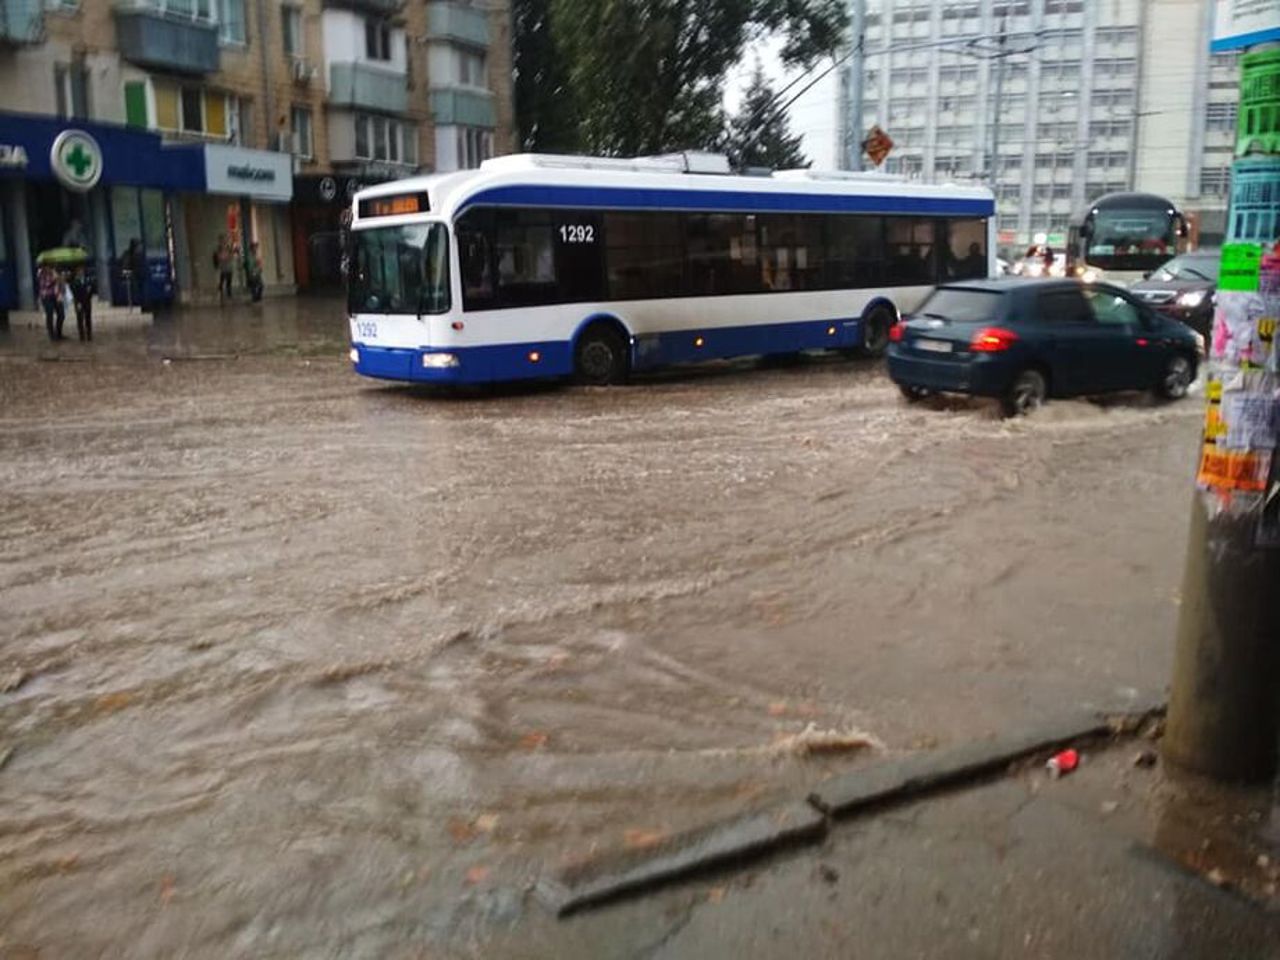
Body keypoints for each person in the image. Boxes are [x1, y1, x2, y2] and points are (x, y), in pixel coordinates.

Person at [37, 263, 65, 341]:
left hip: (56, 296)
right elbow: (46, 285)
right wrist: (55, 279)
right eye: (46, 266)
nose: (48, 268)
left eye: (50, 266)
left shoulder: (54, 273)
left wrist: (61, 280)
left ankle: (58, 333)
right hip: (46, 297)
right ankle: (51, 334)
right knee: (50, 314)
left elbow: (60, 286)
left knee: (61, 315)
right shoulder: (41, 274)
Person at [70, 264, 94, 341]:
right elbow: (74, 292)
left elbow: (92, 288)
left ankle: (89, 334)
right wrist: (77, 302)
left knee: (88, 318)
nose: (80, 272)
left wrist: (90, 291)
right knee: (80, 319)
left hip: (87, 301)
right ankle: (82, 335)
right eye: (79, 271)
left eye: (81, 271)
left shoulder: (88, 279)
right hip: (79, 301)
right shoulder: (74, 281)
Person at [214, 235, 234, 303]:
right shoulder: (218, 249)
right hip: (223, 269)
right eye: (222, 240)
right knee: (221, 282)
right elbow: (219, 257)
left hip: (229, 268)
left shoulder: (229, 248)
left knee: (229, 283)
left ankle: (229, 296)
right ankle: (221, 295)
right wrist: (224, 257)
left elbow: (231, 256)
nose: (224, 242)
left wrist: (226, 256)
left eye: (225, 240)